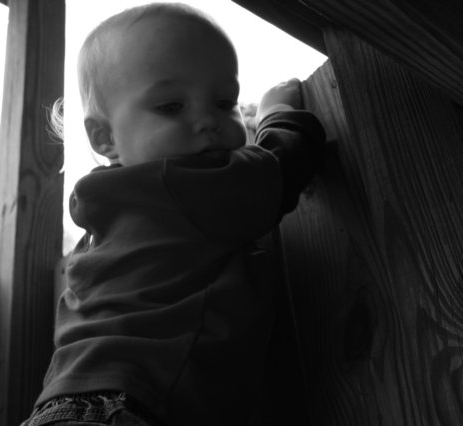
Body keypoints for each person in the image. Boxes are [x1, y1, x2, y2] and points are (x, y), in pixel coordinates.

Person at [21, 3, 325, 425]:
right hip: (128, 407)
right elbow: (281, 166)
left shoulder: (110, 215)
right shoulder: (179, 187)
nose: (208, 121)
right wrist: (278, 115)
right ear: (105, 136)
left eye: (225, 102)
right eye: (170, 106)